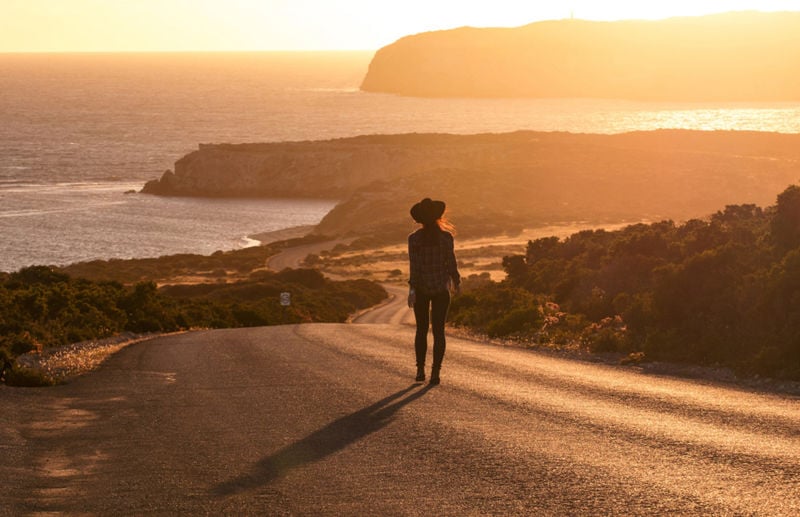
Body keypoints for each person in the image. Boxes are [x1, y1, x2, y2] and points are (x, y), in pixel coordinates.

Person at [407, 198, 461, 385]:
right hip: (441, 289)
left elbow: (414, 267)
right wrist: (457, 282)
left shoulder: (413, 239)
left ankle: (420, 369)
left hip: (421, 289)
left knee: (421, 330)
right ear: (439, 217)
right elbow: (451, 263)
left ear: (420, 219)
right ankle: (435, 373)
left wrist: (412, 289)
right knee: (439, 332)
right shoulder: (446, 238)